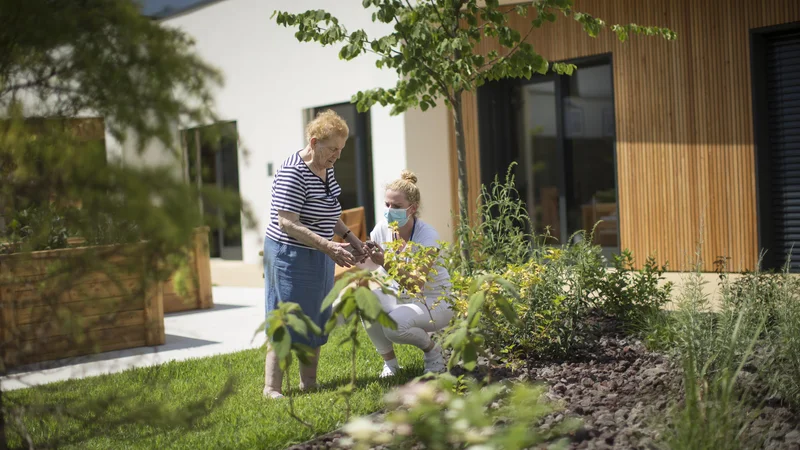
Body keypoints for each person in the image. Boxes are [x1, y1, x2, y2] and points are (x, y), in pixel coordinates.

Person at [263, 110, 368, 399]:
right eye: (333, 148)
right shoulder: (293, 171)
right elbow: (287, 223)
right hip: (290, 254)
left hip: (319, 252)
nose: (337, 155)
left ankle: (308, 384)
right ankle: (271, 388)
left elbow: (329, 210)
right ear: (314, 142)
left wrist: (349, 238)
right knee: (287, 318)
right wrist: (328, 245)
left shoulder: (325, 166)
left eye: (341, 150)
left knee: (316, 315)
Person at [361, 170, 454, 377]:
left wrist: (384, 260)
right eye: (387, 205)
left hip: (435, 300)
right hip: (401, 298)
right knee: (365, 303)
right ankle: (391, 365)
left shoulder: (427, 235)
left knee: (393, 326)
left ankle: (434, 353)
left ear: (412, 208)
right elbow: (369, 265)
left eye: (397, 206)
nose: (390, 210)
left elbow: (416, 285)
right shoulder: (382, 228)